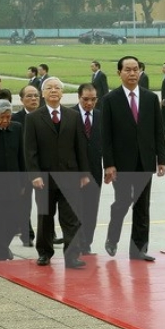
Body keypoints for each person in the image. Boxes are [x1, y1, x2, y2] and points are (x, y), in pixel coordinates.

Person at [102, 56, 165, 261]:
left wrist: (162, 159)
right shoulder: (110, 100)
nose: (132, 73)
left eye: (135, 69)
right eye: (127, 70)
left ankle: (138, 249)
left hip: (145, 161)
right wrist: (109, 164)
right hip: (121, 164)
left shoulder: (150, 98)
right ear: (119, 73)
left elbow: (158, 130)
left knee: (142, 206)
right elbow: (106, 136)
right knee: (122, 203)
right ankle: (112, 238)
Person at [24, 77, 90, 269]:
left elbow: (80, 147)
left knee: (71, 218)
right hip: (44, 178)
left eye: (57, 88)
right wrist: (34, 175)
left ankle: (72, 256)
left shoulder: (73, 116)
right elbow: (30, 150)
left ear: (62, 93)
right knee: (45, 217)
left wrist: (84, 173)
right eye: (49, 88)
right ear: (43, 94)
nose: (53, 91)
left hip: (70, 176)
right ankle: (44, 253)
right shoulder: (34, 118)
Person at [0, 99, 26, 260]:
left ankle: (2, 246)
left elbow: (21, 157)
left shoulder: (17, 128)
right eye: (2, 117)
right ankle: (0, 253)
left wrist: (23, 182)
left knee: (15, 220)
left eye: (8, 117)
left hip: (14, 183)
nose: (6, 121)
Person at [72, 83, 102, 255]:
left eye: (93, 100)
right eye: (86, 99)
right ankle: (78, 243)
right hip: (74, 172)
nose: (89, 103)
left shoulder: (99, 116)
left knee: (91, 210)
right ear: (79, 97)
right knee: (76, 210)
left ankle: (87, 243)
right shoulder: (69, 115)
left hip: (95, 172)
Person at [12, 84, 41, 247]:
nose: (33, 99)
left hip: (43, 168)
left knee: (46, 204)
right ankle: (26, 234)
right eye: (29, 96)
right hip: (24, 168)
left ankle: (49, 234)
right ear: (22, 100)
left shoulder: (47, 116)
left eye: (36, 96)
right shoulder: (16, 120)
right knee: (24, 204)